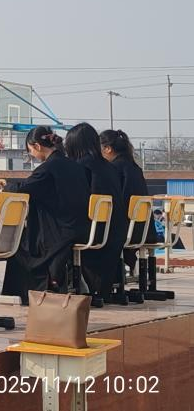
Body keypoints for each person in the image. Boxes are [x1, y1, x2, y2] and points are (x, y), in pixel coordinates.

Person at [0, 126, 91, 302]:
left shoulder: (48, 168)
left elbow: (23, 189)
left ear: (37, 146)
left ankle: (25, 294)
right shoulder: (76, 166)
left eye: (30, 150)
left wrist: (5, 186)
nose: (32, 155)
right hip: (81, 228)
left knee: (18, 246)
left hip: (60, 232)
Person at [64, 122, 128, 302]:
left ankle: (57, 287)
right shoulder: (110, 167)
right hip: (115, 232)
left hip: (94, 232)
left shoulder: (80, 167)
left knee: (51, 236)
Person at [99, 129, 158, 274]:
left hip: (127, 232)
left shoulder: (113, 169)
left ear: (107, 148)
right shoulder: (135, 168)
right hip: (144, 230)